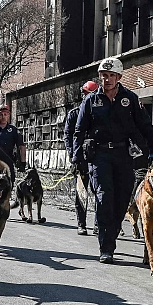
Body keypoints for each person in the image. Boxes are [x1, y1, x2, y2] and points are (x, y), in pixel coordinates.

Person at [73, 57, 153, 264]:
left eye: (112, 75)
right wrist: (77, 157)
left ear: (119, 77)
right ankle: (107, 247)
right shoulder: (91, 101)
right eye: (104, 75)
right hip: (99, 156)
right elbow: (79, 131)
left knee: (121, 200)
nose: (108, 79)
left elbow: (145, 128)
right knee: (104, 198)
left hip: (123, 155)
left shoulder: (129, 99)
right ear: (100, 77)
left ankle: (111, 233)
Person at [63, 80, 98, 235]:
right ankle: (81, 224)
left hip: (97, 158)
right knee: (81, 192)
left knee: (100, 192)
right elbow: (68, 137)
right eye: (86, 94)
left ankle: (98, 224)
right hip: (81, 159)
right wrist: (73, 156)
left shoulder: (100, 114)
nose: (88, 97)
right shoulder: (74, 114)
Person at [0, 104, 27, 179]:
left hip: (8, 162)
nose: (3, 117)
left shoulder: (13, 130)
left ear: (8, 115)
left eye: (5, 114)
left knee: (9, 185)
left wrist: (23, 162)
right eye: (0, 114)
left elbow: (22, 146)